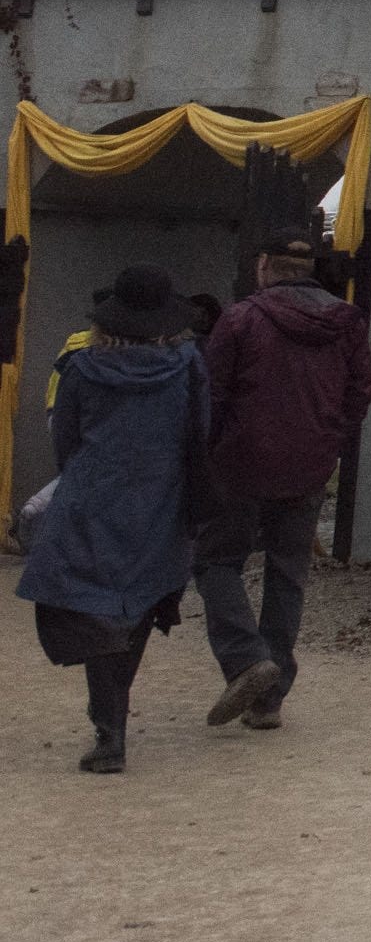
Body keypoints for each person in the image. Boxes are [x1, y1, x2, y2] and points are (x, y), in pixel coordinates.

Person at [16, 266, 212, 775]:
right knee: (139, 603)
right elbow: (200, 432)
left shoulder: (81, 367)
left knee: (94, 609)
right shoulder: (189, 365)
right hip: (161, 500)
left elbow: (65, 440)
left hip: (91, 499)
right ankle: (113, 717)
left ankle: (110, 729)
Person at [193, 228, 371, 729]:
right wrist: (330, 441)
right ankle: (268, 700)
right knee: (287, 572)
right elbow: (359, 394)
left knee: (214, 562)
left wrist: (209, 454)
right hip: (310, 465)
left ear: (263, 267)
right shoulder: (348, 322)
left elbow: (213, 394)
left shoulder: (241, 319)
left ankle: (248, 661)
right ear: (310, 269)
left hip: (240, 465)